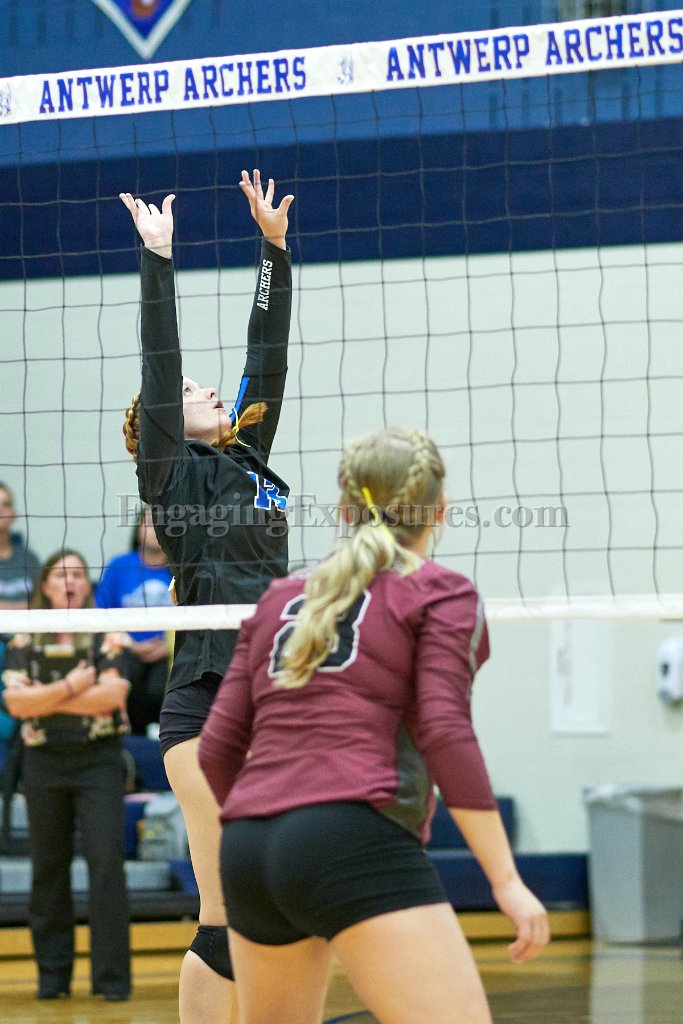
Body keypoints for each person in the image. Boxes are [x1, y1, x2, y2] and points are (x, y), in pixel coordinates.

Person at [198, 427, 550, 1024]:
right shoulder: (440, 593)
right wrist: (506, 880)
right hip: (352, 834)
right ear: (439, 510)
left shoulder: (279, 598)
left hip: (250, 848)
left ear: (343, 509)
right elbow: (444, 730)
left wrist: (279, 826)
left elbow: (215, 748)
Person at [119, 168, 294, 1024]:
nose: (208, 390)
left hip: (277, 693)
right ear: (160, 423)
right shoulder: (169, 473)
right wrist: (158, 260)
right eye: (193, 395)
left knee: (281, 902)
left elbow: (267, 357)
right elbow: (162, 368)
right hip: (205, 702)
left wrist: (274, 252)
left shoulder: (250, 457)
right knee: (226, 912)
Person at [0, 549, 132, 1002]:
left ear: (88, 584)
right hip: (43, 762)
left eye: (77, 574)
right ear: (45, 585)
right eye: (61, 575)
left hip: (99, 760)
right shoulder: (24, 635)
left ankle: (111, 982)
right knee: (48, 870)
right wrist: (75, 686)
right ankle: (52, 980)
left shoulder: (106, 631)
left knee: (106, 866)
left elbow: (113, 696)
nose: (70, 581)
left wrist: (47, 697)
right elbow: (16, 704)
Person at [96, 505, 172, 734]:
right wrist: (132, 644)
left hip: (169, 651)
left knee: (163, 682)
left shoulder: (182, 569)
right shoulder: (119, 567)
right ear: (138, 529)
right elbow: (101, 614)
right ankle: (132, 733)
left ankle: (164, 732)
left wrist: (168, 646)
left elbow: (195, 615)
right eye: (149, 522)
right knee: (128, 674)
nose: (156, 529)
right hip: (126, 647)